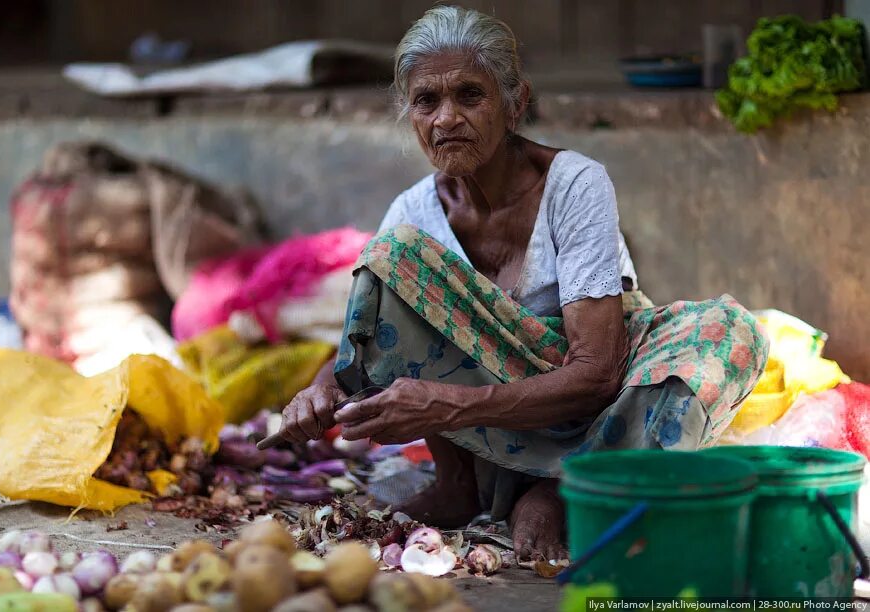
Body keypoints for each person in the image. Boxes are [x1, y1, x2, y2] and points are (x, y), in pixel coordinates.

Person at [278, 5, 768, 561]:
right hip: (493, 432)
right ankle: (460, 484)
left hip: (593, 411)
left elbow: (598, 371)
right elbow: (358, 344)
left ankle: (559, 488)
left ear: (515, 103)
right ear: (408, 114)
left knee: (727, 333)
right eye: (426, 100)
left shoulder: (574, 184)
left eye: (470, 95)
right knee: (391, 257)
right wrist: (320, 391)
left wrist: (448, 405)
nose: (446, 119)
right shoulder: (412, 216)